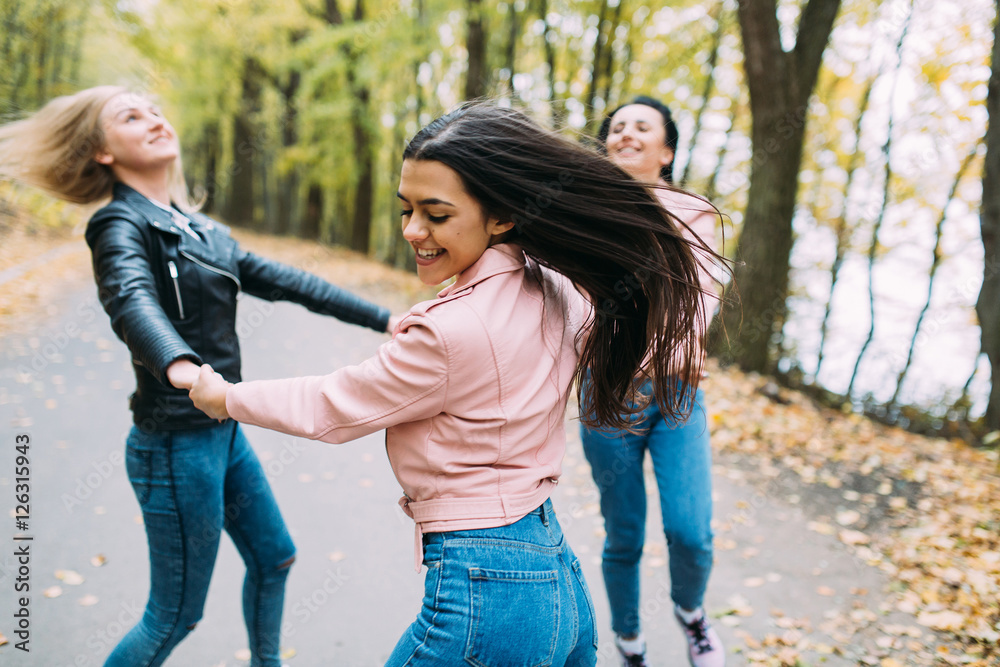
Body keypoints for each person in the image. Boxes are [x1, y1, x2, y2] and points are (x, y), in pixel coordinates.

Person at [188, 101, 717, 666]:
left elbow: (333, 405)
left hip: (486, 595)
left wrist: (225, 397)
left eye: (436, 214)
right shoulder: (557, 284)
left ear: (503, 215)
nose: (413, 230)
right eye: (406, 210)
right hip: (556, 580)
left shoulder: (450, 330)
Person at [0, 85, 398, 667]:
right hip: (174, 444)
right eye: (130, 117)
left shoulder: (202, 230)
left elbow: (293, 282)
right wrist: (184, 367)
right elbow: (130, 300)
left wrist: (386, 317)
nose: (154, 120)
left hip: (223, 431)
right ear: (102, 153)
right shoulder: (118, 224)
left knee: (274, 558)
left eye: (155, 109)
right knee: (174, 616)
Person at [581, 95, 725, 667]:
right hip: (607, 395)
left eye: (642, 127)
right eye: (616, 128)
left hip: (675, 391)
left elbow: (706, 293)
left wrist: (679, 347)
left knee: (691, 532)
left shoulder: (694, 213)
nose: (626, 134)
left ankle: (691, 614)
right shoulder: (584, 214)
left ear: (666, 151)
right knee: (624, 535)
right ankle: (630, 643)